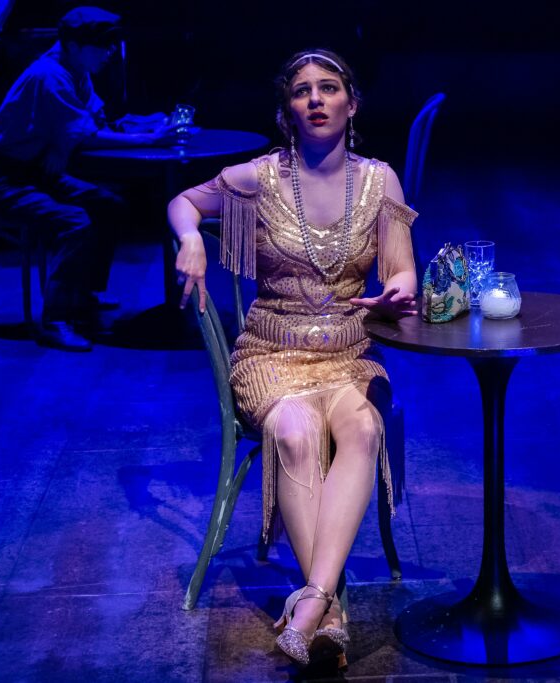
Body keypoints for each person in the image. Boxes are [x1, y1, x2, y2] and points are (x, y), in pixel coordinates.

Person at [168, 49, 418, 666]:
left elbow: (402, 265)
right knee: (297, 431)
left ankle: (311, 601)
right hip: (271, 354)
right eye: (302, 91)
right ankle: (325, 604)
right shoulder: (260, 177)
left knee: (361, 426)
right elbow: (184, 201)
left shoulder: (378, 180)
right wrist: (191, 238)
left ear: (350, 104)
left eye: (328, 88)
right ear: (288, 111)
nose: (315, 99)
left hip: (351, 353)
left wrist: (403, 285)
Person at [0, 6, 179, 351]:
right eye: (102, 44)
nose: (110, 52)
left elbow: (93, 123)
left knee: (108, 205)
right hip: (3, 179)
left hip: (35, 171)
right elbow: (88, 136)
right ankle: (55, 320)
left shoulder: (75, 70)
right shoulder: (49, 75)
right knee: (74, 221)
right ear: (72, 44)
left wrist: (146, 124)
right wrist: (149, 139)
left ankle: (84, 295)